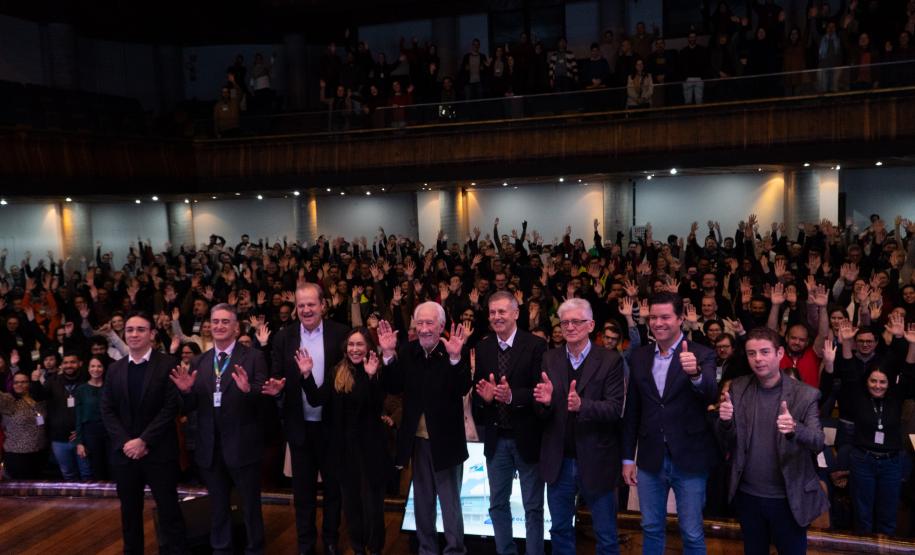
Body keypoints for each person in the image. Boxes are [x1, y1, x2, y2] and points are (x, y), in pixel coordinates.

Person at [716, 327, 828, 554]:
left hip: (788, 498)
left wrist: (795, 428)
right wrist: (725, 422)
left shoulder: (805, 394)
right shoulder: (738, 387)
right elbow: (727, 441)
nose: (758, 359)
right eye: (751, 353)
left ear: (779, 354)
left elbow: (817, 441)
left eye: (765, 352)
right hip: (748, 496)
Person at [622, 292, 718, 554]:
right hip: (650, 459)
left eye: (665, 317)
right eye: (653, 317)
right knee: (651, 528)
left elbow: (711, 393)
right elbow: (632, 410)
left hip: (689, 458)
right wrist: (628, 459)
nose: (658, 323)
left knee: (691, 531)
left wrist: (695, 373)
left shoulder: (702, 354)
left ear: (680, 319)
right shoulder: (639, 356)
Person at [170, 303, 268, 554]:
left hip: (243, 447)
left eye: (225, 322)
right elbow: (191, 406)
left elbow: (265, 402)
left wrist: (249, 391)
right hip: (209, 448)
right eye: (215, 322)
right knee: (218, 504)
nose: (219, 326)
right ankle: (221, 548)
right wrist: (185, 392)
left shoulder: (254, 357)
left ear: (236, 328)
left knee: (249, 505)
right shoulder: (200, 361)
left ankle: (255, 548)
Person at [377, 301, 471, 555]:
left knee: (450, 504)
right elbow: (394, 386)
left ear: (441, 326)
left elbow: (462, 387)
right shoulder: (407, 352)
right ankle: (426, 550)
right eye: (420, 323)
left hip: (446, 442)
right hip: (416, 441)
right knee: (422, 502)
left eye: (430, 323)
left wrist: (454, 359)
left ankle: (455, 550)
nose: (425, 328)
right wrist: (387, 355)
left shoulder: (452, 349)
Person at [533, 298, 625, 554]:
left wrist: (583, 405)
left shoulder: (610, 360)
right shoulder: (549, 358)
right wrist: (547, 402)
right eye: (565, 322)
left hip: (596, 459)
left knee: (605, 534)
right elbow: (540, 411)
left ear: (591, 325)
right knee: (560, 530)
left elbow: (616, 409)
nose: (570, 327)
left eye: (577, 321)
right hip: (558, 460)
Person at [269, 283, 349, 555]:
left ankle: (330, 539)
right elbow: (278, 373)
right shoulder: (284, 337)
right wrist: (278, 389)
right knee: (302, 493)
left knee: (332, 490)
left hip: (331, 427)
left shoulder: (340, 334)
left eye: (311, 304)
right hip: (299, 427)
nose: (305, 310)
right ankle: (305, 543)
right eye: (301, 305)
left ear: (323, 305)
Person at [100, 311, 186, 554]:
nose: (134, 334)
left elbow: (171, 407)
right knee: (129, 513)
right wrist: (127, 442)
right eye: (129, 330)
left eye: (140, 329)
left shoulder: (168, 363)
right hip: (126, 454)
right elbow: (106, 409)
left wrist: (144, 440)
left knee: (169, 510)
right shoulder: (115, 369)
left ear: (152, 334)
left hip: (159, 452)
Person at [472, 291, 548, 555]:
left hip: (526, 438)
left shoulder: (535, 345)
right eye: (492, 312)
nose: (496, 317)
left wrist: (512, 395)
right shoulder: (483, 347)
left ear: (516, 313)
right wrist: (485, 398)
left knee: (533, 507)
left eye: (502, 312)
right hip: (496, 440)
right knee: (497, 505)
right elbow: (479, 391)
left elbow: (541, 390)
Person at [303, 327, 389, 555]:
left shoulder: (377, 371)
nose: (355, 349)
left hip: (371, 449)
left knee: (372, 505)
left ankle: (375, 548)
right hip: (343, 450)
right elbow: (315, 399)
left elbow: (376, 406)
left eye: (360, 344)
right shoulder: (337, 372)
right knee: (351, 505)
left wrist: (371, 378)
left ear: (369, 347)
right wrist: (306, 375)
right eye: (351, 345)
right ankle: (358, 548)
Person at [31, 350, 90, 481]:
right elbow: (38, 397)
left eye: (73, 362)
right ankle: (72, 501)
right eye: (66, 362)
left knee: (87, 474)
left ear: (80, 363)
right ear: (61, 365)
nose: (69, 365)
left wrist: (82, 432)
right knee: (68, 474)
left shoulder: (86, 380)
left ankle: (88, 501)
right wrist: (35, 381)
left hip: (82, 438)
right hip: (59, 438)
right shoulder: (53, 381)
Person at [0, 372, 47, 479]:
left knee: (35, 488)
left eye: (23, 382)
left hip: (39, 451)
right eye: (16, 382)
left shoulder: (35, 399)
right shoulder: (9, 400)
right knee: (20, 490)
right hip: (17, 454)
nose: (19, 385)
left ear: (29, 383)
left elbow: (41, 421)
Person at [75, 355, 109, 480]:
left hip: (110, 431)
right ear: (88, 369)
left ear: (104, 368)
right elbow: (78, 417)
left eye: (99, 366)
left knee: (115, 467)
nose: (96, 369)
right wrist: (79, 442)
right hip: (91, 432)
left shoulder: (111, 387)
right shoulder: (81, 390)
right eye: (93, 366)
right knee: (97, 468)